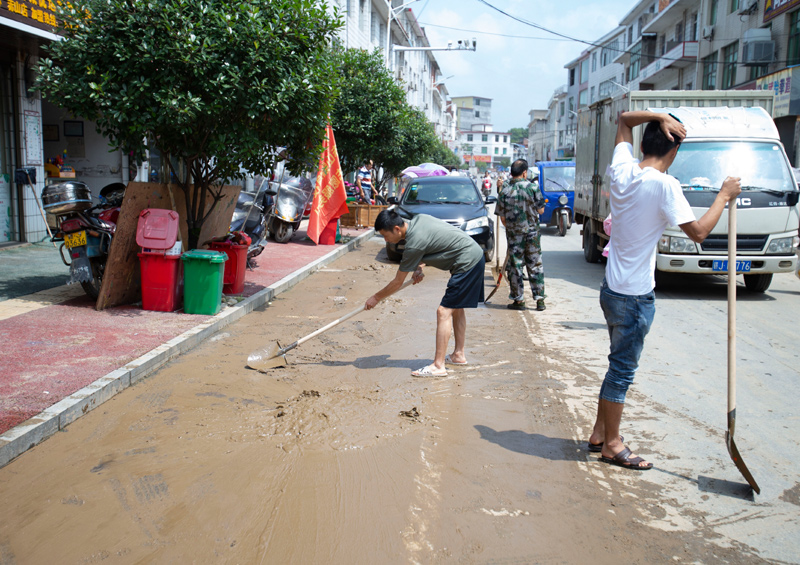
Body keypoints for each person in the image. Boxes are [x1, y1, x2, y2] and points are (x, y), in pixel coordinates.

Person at [588, 111, 741, 471]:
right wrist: (724, 195)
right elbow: (699, 232)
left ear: (643, 144)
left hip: (612, 289)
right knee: (621, 371)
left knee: (616, 367)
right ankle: (611, 444)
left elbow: (624, 120)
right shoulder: (663, 185)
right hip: (634, 296)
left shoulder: (623, 169)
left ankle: (599, 433)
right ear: (674, 151)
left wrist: (657, 116)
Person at [365, 210, 485, 377]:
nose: (386, 240)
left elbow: (397, 282)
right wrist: (419, 266)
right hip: (473, 256)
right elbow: (434, 242)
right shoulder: (419, 220)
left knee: (443, 312)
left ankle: (438, 366)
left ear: (397, 229)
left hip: (467, 263)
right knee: (456, 308)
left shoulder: (413, 244)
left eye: (386, 236)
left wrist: (376, 297)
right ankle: (458, 355)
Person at [495, 158, 546, 311]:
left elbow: (502, 217)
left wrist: (512, 227)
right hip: (532, 234)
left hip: (514, 235)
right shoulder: (533, 188)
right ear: (524, 173)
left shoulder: (504, 191)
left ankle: (519, 301)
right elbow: (541, 210)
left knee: (516, 266)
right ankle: (540, 300)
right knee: (535, 264)